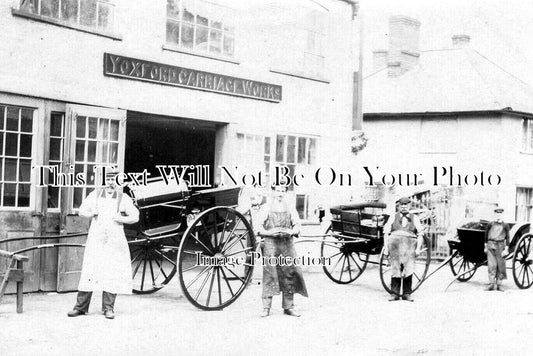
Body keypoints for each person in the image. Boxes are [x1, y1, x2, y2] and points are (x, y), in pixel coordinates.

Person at [67, 171, 139, 319]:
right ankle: (80, 307)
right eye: (108, 179)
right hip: (96, 240)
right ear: (103, 181)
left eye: (114, 180)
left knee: (111, 271)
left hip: (114, 241)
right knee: (90, 270)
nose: (111, 183)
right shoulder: (95, 195)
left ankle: (108, 308)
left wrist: (121, 219)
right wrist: (92, 212)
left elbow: (135, 216)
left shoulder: (123, 198)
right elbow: (81, 211)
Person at [255, 185, 308, 317]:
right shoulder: (266, 207)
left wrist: (293, 231)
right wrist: (269, 232)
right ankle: (266, 308)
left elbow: (297, 225)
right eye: (277, 190)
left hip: (286, 243)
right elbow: (258, 227)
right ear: (273, 192)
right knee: (270, 274)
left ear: (285, 193)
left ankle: (288, 307)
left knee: (289, 273)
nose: (280, 193)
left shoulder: (290, 207)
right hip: (271, 243)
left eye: (282, 191)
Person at [383, 197, 424, 302]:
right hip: (395, 246)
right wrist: (386, 249)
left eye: (406, 205)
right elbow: (386, 233)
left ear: (409, 206)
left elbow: (420, 234)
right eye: (402, 205)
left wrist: (418, 249)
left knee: (408, 268)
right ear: (399, 206)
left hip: (409, 246)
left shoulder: (415, 218)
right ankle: (395, 294)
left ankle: (407, 293)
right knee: (395, 268)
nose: (404, 207)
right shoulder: (393, 217)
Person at [484, 207, 510, 291]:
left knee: (500, 265)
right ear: (495, 214)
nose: (498, 215)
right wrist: (485, 246)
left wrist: (506, 248)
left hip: (501, 246)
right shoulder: (490, 224)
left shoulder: (505, 225)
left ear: (502, 215)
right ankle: (491, 284)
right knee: (492, 265)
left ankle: (499, 284)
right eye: (497, 213)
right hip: (491, 245)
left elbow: (508, 237)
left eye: (500, 213)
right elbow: (486, 235)